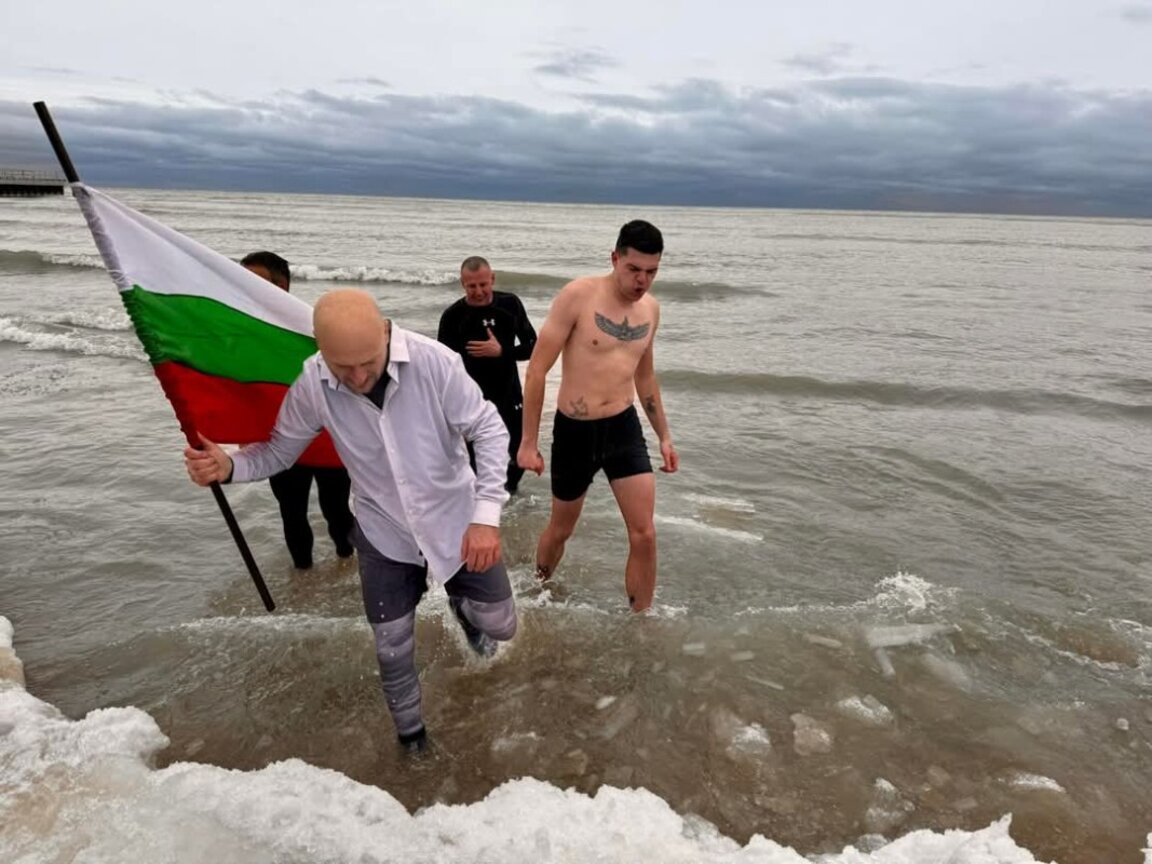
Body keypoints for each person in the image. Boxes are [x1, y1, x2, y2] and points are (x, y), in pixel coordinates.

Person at [185, 289, 517, 753]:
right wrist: (231, 466)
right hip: (383, 532)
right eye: (344, 367)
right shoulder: (313, 382)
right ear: (321, 351)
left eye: (368, 362)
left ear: (384, 333)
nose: (358, 377)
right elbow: (281, 450)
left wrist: (486, 518)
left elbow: (488, 428)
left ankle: (466, 610)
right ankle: (413, 743)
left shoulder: (434, 362)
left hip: (456, 522)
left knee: (502, 627)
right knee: (391, 649)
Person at [517, 220, 679, 613]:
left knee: (644, 533)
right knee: (561, 530)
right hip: (575, 431)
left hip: (623, 428)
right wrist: (528, 442)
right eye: (634, 269)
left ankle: (641, 622)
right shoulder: (578, 296)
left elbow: (644, 375)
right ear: (615, 258)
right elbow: (537, 368)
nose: (643, 280)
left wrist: (664, 435)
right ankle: (537, 591)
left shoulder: (651, 310)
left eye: (652, 272)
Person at [240, 251, 355, 569]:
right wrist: (243, 431)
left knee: (338, 513)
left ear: (283, 284)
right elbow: (242, 384)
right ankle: (303, 578)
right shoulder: (244, 332)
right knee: (292, 513)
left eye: (255, 280)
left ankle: (347, 566)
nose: (245, 286)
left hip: (328, 439)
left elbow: (354, 374)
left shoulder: (315, 326)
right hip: (279, 442)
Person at [437, 257, 537, 494]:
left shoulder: (510, 304)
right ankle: (478, 502)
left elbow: (533, 346)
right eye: (472, 286)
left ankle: (508, 495)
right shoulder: (453, 316)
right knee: (473, 457)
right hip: (471, 398)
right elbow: (441, 367)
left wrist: (502, 351)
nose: (479, 291)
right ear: (463, 284)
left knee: (517, 452)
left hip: (508, 393)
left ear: (492, 279)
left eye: (484, 284)